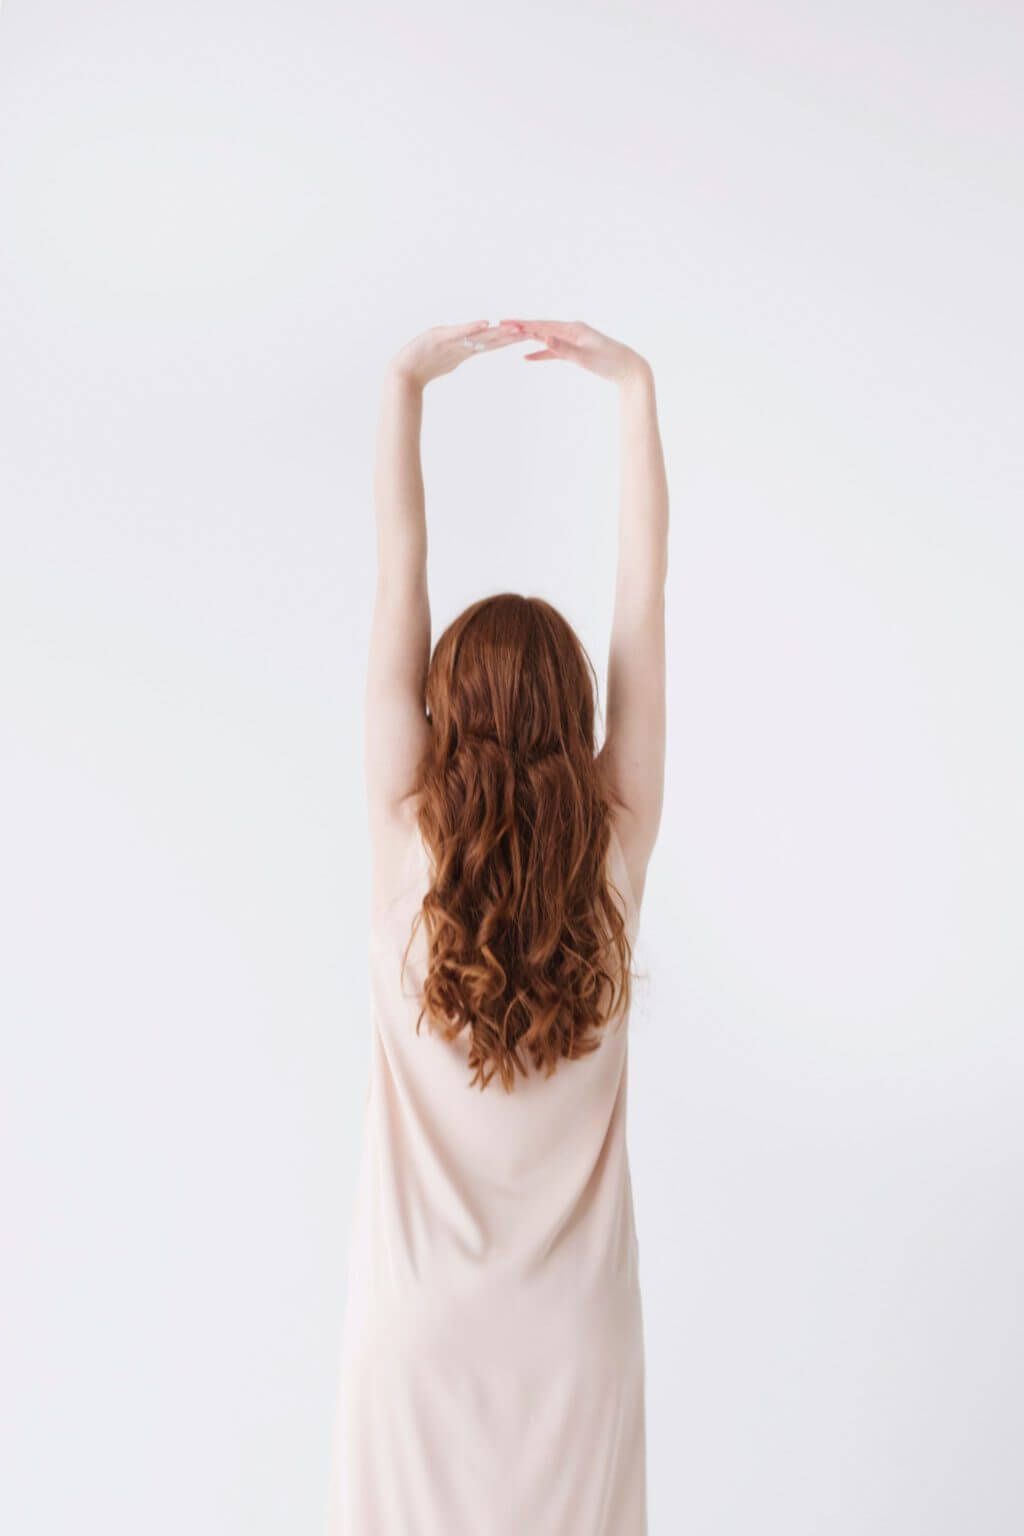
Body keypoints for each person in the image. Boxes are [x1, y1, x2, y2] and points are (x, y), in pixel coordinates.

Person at [327, 317, 669, 1536]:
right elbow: (643, 601)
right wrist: (634, 395)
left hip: (416, 1334)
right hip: (576, 1344)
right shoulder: (612, 858)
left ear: (438, 712)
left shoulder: (405, 843)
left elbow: (394, 573)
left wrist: (404, 381)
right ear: (576, 715)